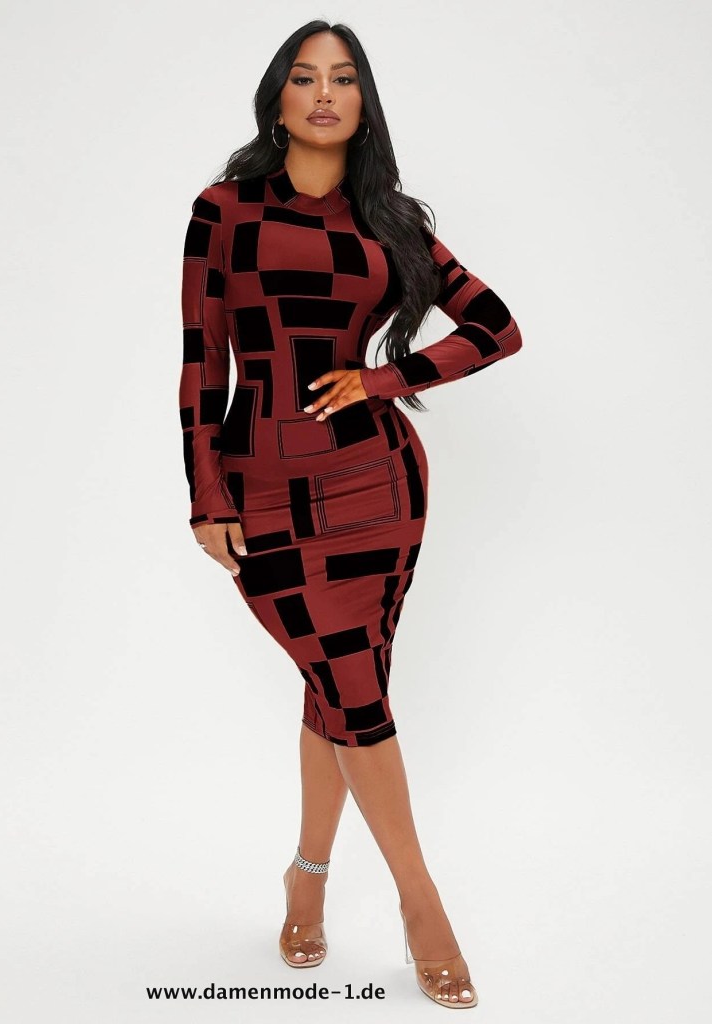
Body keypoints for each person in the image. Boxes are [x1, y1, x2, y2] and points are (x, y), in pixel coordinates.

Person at [179, 20, 522, 1010]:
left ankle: (320, 880)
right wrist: (205, 495)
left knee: (343, 686)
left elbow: (495, 327)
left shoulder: (388, 218)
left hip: (378, 484)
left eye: (342, 78)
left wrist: (383, 378)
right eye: (304, 77)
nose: (323, 93)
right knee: (348, 690)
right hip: (261, 485)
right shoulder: (224, 211)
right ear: (277, 99)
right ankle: (416, 900)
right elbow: (202, 359)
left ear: (363, 102)